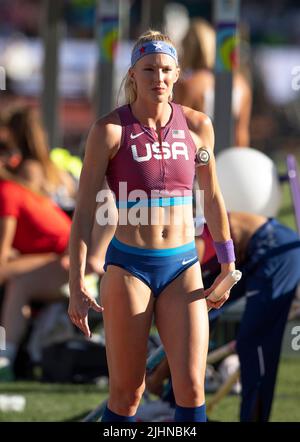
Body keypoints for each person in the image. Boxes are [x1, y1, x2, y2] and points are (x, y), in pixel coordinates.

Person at [68, 29, 236, 423]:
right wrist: (77, 284)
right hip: (129, 267)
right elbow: (84, 213)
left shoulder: (198, 127)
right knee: (128, 393)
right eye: (148, 69)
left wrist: (228, 265)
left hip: (182, 267)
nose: (157, 78)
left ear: (177, 74)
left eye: (165, 70)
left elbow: (212, 198)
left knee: (191, 387)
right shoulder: (109, 131)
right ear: (132, 75)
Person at [145, 212, 300, 422]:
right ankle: (173, 405)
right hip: (250, 252)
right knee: (200, 316)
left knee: (253, 343)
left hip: (272, 248)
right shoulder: (179, 249)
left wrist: (158, 376)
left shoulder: (191, 246)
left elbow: (187, 324)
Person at [174, 19, 252, 147]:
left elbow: (177, 129)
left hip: (198, 157)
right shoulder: (241, 84)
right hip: (229, 157)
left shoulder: (188, 84)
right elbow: (241, 134)